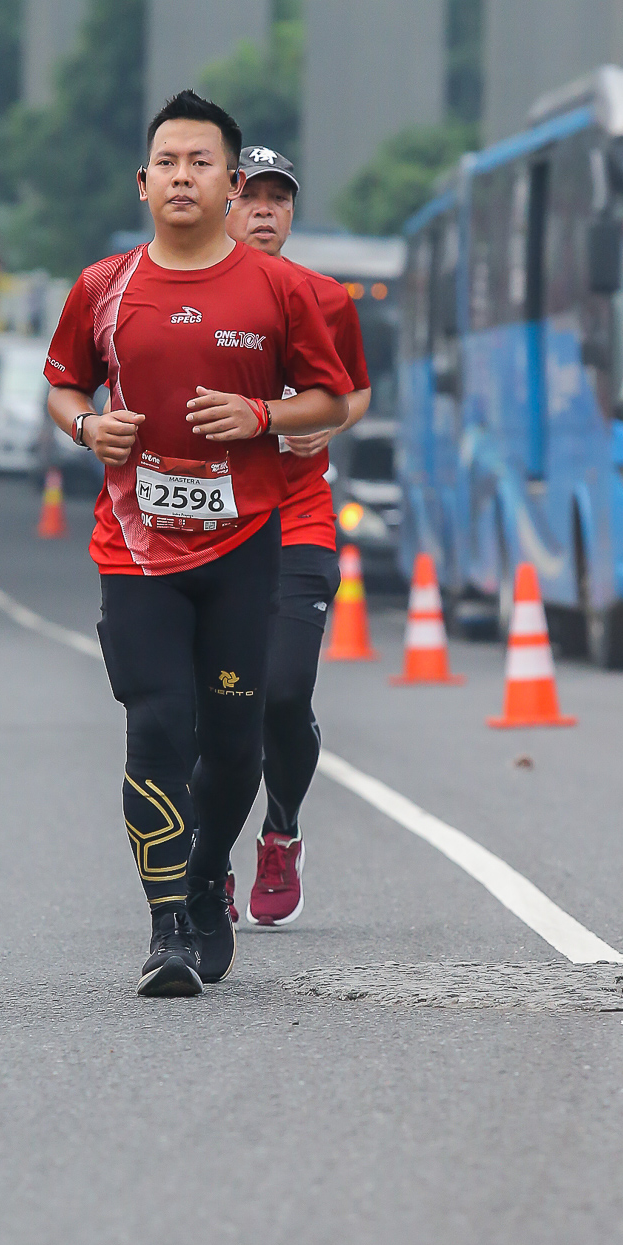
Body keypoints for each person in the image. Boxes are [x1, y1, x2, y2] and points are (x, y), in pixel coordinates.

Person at [45, 90, 350, 998]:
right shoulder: (102, 287)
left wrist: (261, 415)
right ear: (143, 184)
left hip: (245, 547)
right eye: (168, 163)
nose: (184, 177)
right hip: (136, 551)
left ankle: (211, 869)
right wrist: (85, 427)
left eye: (202, 163)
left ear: (232, 186)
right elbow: (63, 385)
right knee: (156, 723)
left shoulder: (282, 291)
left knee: (234, 738)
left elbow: (330, 399)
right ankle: (169, 924)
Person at [225, 147, 371, 926]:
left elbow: (355, 391)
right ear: (221, 203)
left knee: (282, 693)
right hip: (210, 522)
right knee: (211, 705)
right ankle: (209, 856)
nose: (265, 211)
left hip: (298, 516)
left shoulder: (324, 299)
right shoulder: (183, 298)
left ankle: (280, 831)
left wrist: (327, 424)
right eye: (250, 196)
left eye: (278, 199)